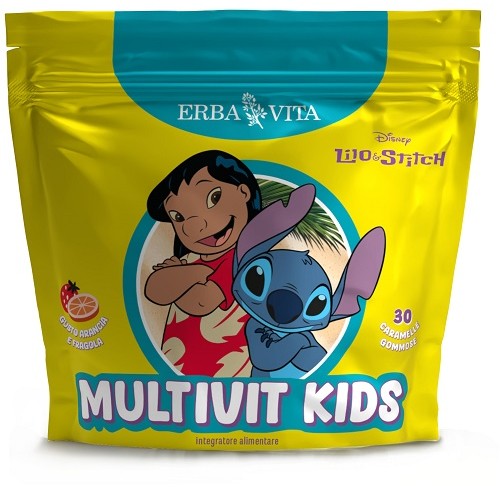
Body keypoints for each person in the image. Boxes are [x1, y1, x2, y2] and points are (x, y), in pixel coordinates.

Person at [145, 150, 261, 377]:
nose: (193, 226)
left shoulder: (244, 262)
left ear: (243, 192)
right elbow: (154, 290)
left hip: (226, 374)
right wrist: (196, 271)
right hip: (176, 370)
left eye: (213, 198)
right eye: (178, 217)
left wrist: (177, 276)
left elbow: (200, 302)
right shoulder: (191, 260)